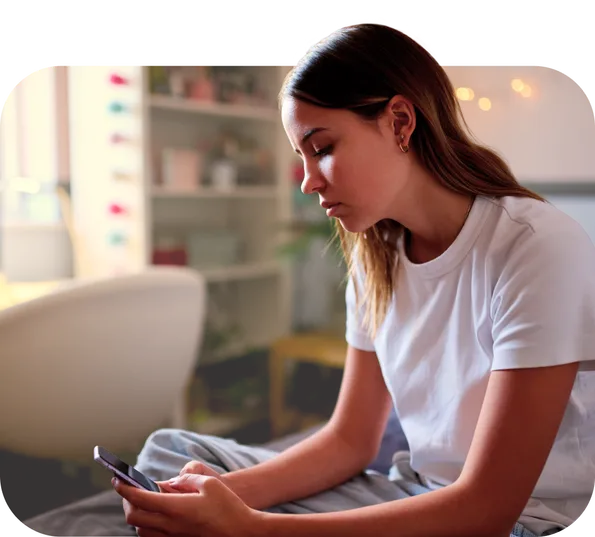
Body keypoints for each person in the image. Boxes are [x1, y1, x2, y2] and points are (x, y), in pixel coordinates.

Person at [111, 20, 595, 537]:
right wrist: (221, 500)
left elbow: (486, 508)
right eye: (301, 157)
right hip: (416, 494)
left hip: (520, 522)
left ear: (400, 122)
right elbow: (350, 440)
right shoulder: (376, 258)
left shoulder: (535, 246)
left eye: (321, 148)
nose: (306, 181)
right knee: (173, 456)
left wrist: (251, 527)